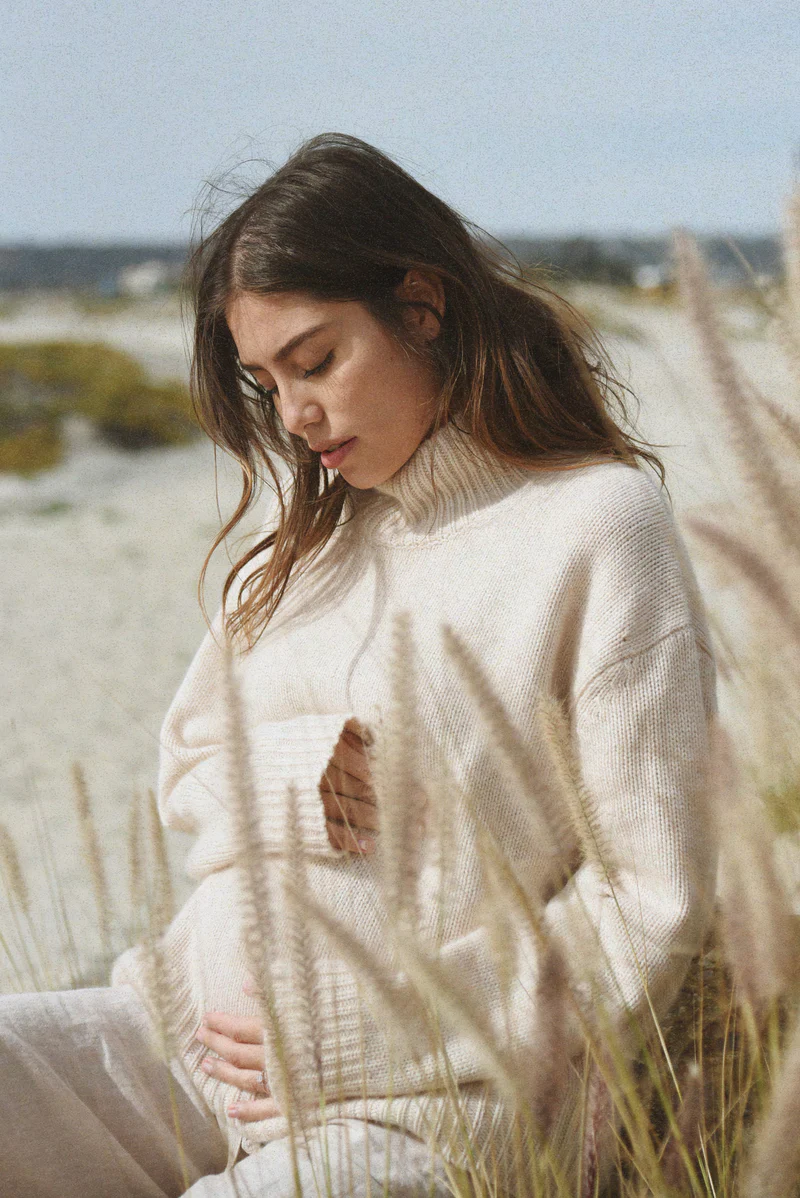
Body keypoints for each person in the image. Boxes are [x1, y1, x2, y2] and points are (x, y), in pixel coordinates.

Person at [0, 133, 718, 1197]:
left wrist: (366, 1034)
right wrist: (297, 775)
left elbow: (648, 895)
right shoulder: (315, 538)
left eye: (315, 360)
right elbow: (188, 762)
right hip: (186, 1045)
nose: (292, 416)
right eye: (264, 381)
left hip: (427, 1110)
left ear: (420, 306)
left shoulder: (598, 525)